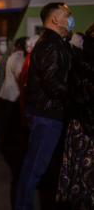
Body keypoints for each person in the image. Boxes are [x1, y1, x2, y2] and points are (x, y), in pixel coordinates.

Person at [15, 2, 74, 210]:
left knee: (39, 166)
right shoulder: (51, 45)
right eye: (66, 16)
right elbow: (52, 82)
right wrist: (76, 96)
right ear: (55, 20)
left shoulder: (56, 42)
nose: (70, 20)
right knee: (34, 168)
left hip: (47, 113)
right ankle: (23, 206)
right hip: (47, 115)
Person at [57, 24, 94, 209]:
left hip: (81, 121)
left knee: (80, 170)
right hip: (84, 123)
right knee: (83, 170)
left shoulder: (79, 59)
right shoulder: (82, 62)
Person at [0, 37, 28, 150]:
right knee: (12, 124)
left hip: (6, 93)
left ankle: (3, 143)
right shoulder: (19, 58)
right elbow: (20, 75)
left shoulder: (12, 56)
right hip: (13, 95)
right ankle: (7, 146)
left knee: (6, 122)